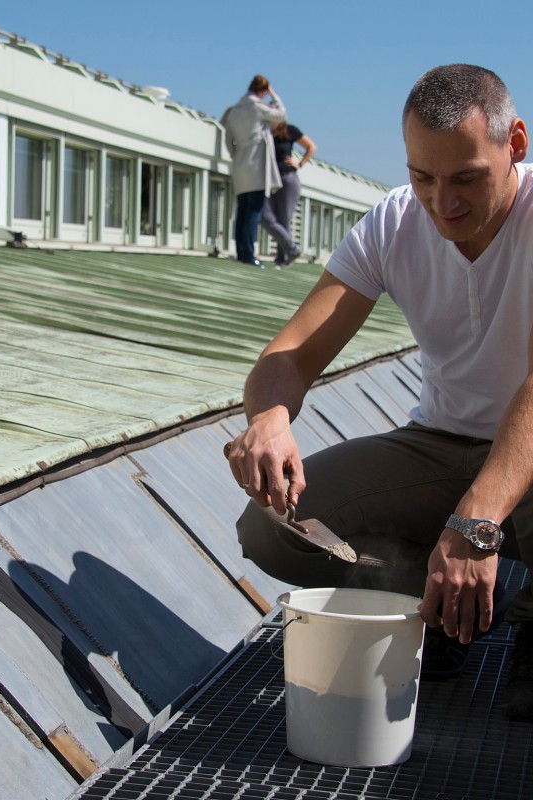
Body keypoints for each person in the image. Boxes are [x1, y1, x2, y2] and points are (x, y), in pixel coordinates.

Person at [225, 63, 533, 720]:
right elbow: (290, 353)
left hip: (526, 448)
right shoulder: (394, 224)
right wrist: (272, 415)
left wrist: (475, 523)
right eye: (423, 177)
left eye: (466, 179)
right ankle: (441, 607)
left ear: (516, 146)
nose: (441, 202)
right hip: (439, 442)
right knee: (274, 529)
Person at [221, 76, 287, 268]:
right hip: (256, 164)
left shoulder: (234, 111)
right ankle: (249, 255)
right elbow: (281, 114)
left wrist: (237, 155)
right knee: (254, 211)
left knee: (242, 210)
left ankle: (242, 252)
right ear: (264, 91)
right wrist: (275, 96)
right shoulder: (257, 107)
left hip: (240, 162)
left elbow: (227, 139)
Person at [261, 121, 317, 268]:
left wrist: (299, 164)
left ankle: (282, 259)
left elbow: (311, 147)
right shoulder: (263, 129)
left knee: (283, 218)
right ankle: (292, 249)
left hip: (287, 179)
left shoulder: (289, 130)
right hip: (267, 179)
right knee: (265, 217)